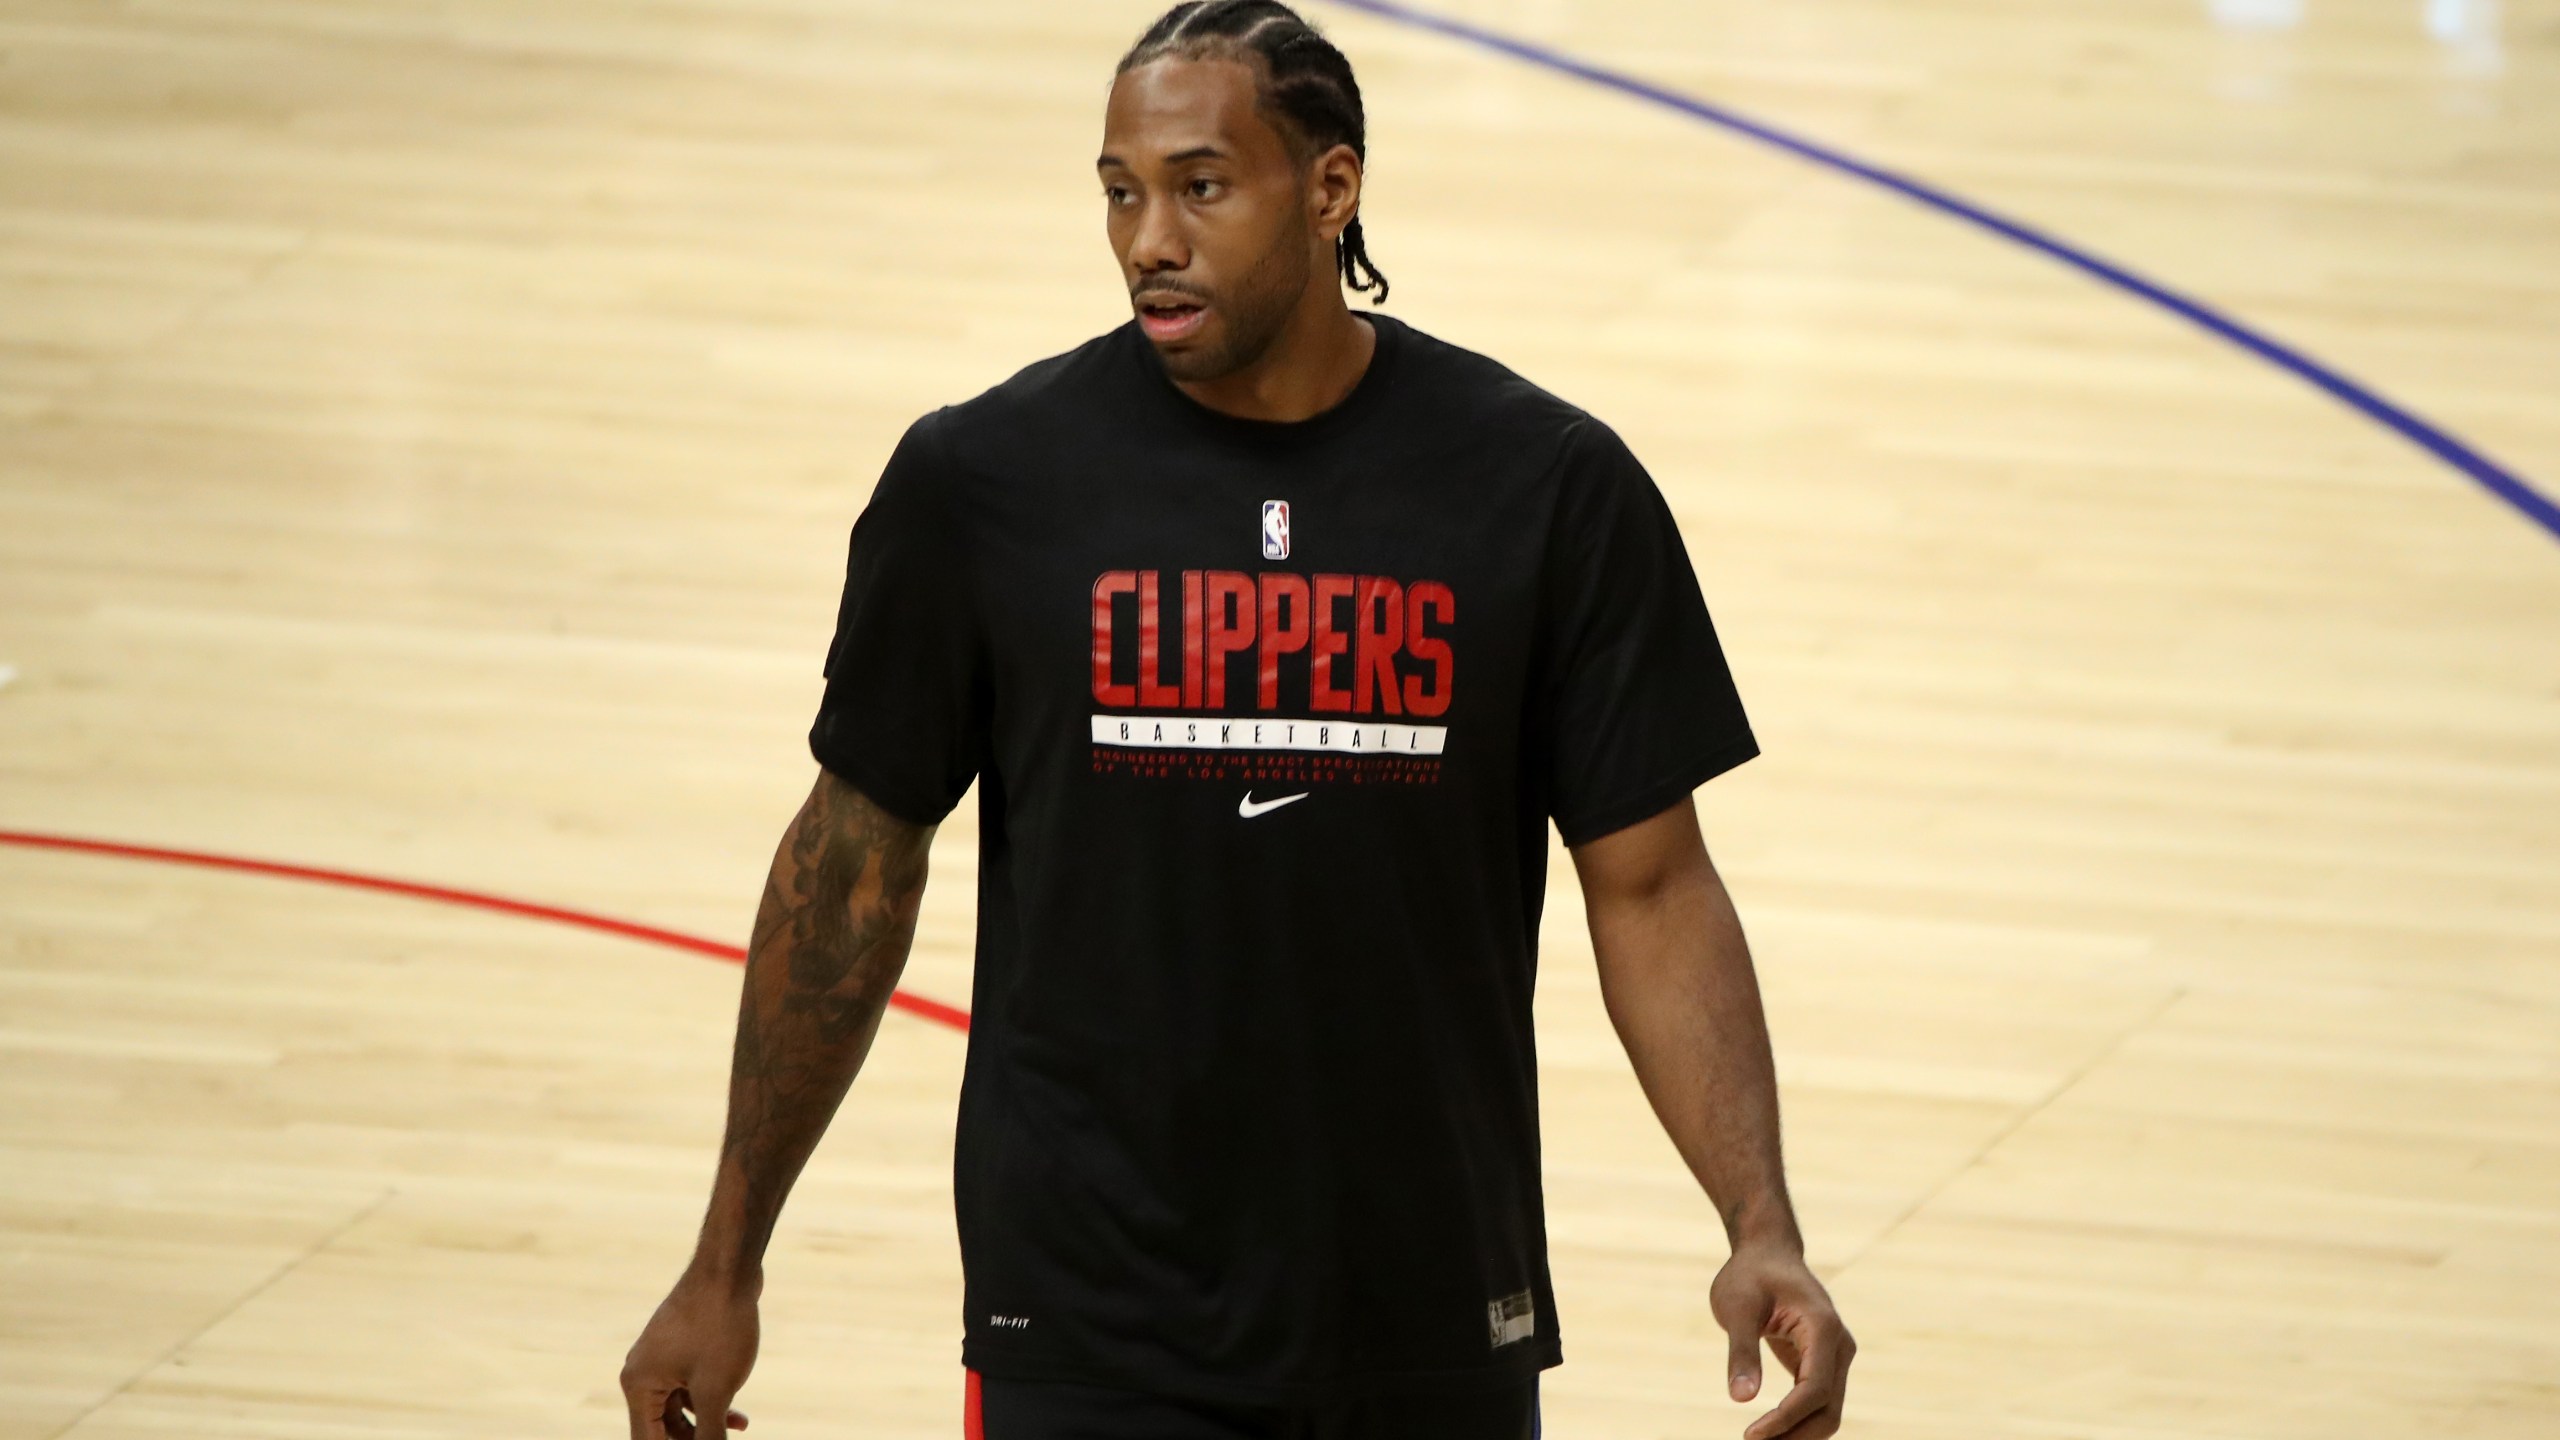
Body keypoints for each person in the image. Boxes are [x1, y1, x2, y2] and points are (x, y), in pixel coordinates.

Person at [619, 3, 1856, 1437]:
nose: (1150, 236)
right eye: (1120, 192)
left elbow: (1651, 887)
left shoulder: (1544, 489)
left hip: (1432, 1314)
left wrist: (1759, 1221)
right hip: (1087, 1325)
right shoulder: (985, 484)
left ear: (1332, 189)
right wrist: (728, 1261)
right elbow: (848, 869)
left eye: (1201, 186)